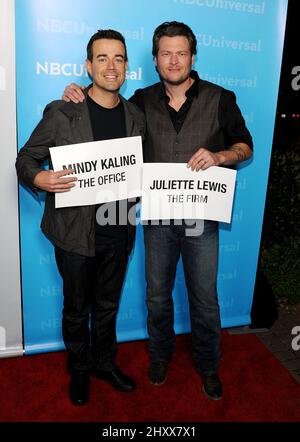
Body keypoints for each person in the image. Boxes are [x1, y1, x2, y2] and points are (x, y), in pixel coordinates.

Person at [62, 21, 253, 400]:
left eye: (181, 52)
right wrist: (77, 93)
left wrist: (220, 155)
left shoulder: (221, 97)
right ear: (154, 59)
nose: (174, 60)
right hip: (157, 220)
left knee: (204, 297)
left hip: (202, 219)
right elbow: (106, 119)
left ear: (193, 57)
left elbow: (244, 146)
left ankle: (208, 365)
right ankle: (160, 355)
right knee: (157, 295)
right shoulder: (139, 102)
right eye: (166, 53)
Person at [16, 29, 145, 406]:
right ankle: (80, 368)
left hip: (120, 228)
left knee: (108, 305)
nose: (111, 66)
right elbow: (25, 159)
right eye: (102, 58)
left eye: (118, 59)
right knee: (76, 307)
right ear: (88, 66)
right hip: (74, 232)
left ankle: (105, 362)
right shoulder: (63, 111)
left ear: (126, 67)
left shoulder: (135, 115)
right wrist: (38, 177)